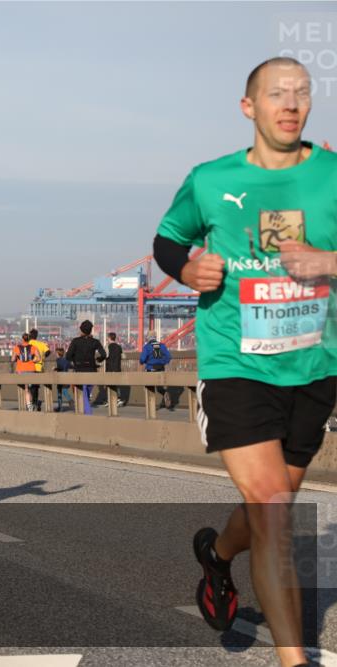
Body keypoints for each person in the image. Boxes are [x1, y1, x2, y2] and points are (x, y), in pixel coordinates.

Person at [153, 57, 336, 667]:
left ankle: (218, 556)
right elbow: (168, 238)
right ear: (248, 107)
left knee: (273, 502)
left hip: (313, 365)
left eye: (301, 93)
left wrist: (327, 262)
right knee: (274, 514)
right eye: (276, 94)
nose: (291, 103)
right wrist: (184, 268)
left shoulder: (333, 175)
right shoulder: (210, 180)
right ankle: (294, 662)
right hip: (235, 363)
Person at [65, 320, 106, 414]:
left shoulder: (75, 341)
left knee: (83, 392)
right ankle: (85, 411)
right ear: (91, 330)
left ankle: (87, 414)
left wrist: (75, 361)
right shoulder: (95, 342)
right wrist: (99, 360)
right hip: (92, 370)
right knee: (86, 393)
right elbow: (104, 354)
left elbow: (68, 356)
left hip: (79, 370)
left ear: (81, 330)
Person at [139, 331, 175, 410]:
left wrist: (143, 362)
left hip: (151, 369)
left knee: (149, 387)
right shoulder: (161, 346)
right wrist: (163, 362)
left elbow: (142, 359)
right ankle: (164, 392)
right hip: (160, 368)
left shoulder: (147, 347)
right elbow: (168, 357)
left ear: (148, 337)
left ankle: (152, 406)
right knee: (159, 387)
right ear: (155, 337)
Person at [94, 332, 129, 408]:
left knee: (109, 385)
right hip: (117, 368)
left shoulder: (107, 346)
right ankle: (119, 399)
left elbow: (105, 355)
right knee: (116, 384)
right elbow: (124, 356)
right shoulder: (119, 347)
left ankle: (110, 400)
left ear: (109, 338)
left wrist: (98, 359)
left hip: (109, 368)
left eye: (107, 338)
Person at [11, 333, 41, 411]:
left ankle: (29, 405)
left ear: (22, 339)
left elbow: (13, 359)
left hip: (21, 370)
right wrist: (32, 360)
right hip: (31, 369)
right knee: (31, 388)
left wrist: (17, 359)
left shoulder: (17, 348)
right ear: (29, 339)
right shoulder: (33, 347)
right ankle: (32, 403)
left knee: (26, 389)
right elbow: (39, 358)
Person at [28, 329, 50, 411]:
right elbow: (48, 351)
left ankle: (33, 403)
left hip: (31, 367)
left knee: (30, 387)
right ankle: (36, 402)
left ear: (30, 336)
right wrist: (43, 357)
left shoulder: (29, 343)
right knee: (35, 387)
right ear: (36, 336)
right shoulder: (41, 344)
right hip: (40, 367)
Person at [54, 346, 73, 412]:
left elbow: (61, 368)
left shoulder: (58, 360)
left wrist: (55, 369)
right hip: (66, 377)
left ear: (58, 353)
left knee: (60, 393)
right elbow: (71, 366)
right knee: (64, 391)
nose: (55, 354)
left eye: (56, 353)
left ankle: (61, 406)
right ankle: (70, 401)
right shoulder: (66, 360)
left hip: (60, 378)